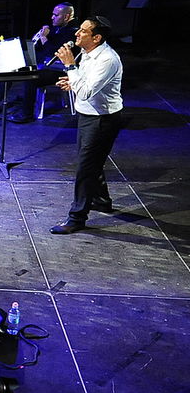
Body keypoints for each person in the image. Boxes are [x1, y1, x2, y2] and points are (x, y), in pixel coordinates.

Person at [50, 16, 125, 234]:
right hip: (88, 114)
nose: (77, 34)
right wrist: (71, 80)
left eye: (83, 31)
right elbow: (83, 82)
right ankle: (101, 200)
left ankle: (77, 218)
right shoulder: (88, 52)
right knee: (92, 161)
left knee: (86, 167)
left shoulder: (107, 60)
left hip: (102, 119)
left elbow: (86, 91)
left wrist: (69, 66)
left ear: (97, 37)